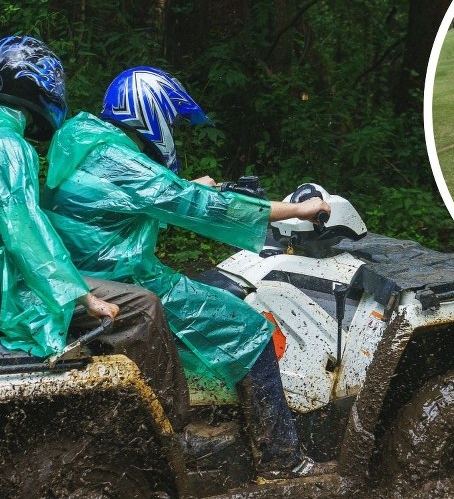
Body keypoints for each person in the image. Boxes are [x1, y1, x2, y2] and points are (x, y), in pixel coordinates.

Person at [41, 66, 328, 479]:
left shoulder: (85, 141)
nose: (172, 129)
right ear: (150, 112)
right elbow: (201, 207)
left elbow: (120, 202)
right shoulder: (121, 161)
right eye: (171, 119)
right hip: (126, 280)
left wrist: (182, 186)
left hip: (86, 271)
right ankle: (280, 458)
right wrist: (299, 209)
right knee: (251, 330)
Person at [0, 37, 189, 424]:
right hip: (8, 286)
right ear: (37, 88)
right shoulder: (6, 146)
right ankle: (172, 426)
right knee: (145, 306)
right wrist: (79, 295)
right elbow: (24, 234)